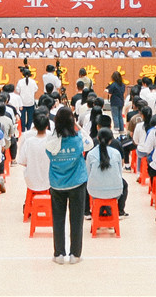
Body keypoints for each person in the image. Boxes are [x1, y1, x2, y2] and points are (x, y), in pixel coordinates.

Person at [45, 105, 88, 264]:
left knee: (58, 219)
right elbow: (89, 142)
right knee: (76, 220)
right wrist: (77, 126)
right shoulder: (78, 140)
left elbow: (50, 151)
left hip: (57, 184)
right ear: (72, 122)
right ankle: (75, 255)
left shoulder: (51, 141)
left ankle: (59, 254)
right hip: (77, 183)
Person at [85, 128, 129, 219]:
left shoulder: (91, 154)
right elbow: (119, 173)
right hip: (116, 191)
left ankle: (88, 212)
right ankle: (120, 211)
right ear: (111, 140)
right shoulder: (116, 153)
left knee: (84, 184)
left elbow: (88, 174)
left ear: (97, 138)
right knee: (124, 184)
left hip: (94, 191)